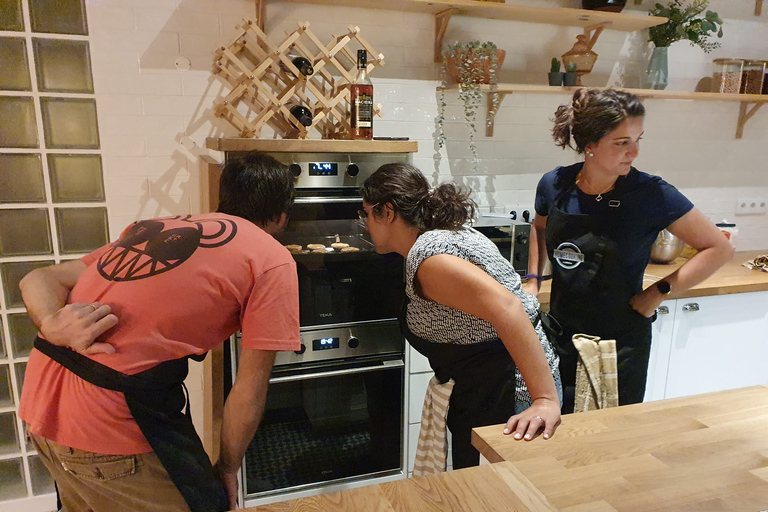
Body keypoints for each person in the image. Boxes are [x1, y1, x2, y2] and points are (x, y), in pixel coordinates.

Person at [18, 152, 300, 512]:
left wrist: (50, 323)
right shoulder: (272, 259)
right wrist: (228, 469)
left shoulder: (154, 228)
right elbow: (249, 388)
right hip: (107, 426)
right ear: (281, 216)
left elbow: (38, 278)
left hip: (41, 407)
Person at [525, 88, 734, 414]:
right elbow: (539, 228)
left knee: (609, 442)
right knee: (559, 439)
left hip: (620, 346)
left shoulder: (651, 194)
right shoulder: (554, 184)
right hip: (560, 339)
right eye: (622, 142)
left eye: (638, 139)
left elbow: (718, 248)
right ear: (590, 144)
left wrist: (660, 291)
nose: (634, 152)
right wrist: (534, 279)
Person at [360, 163, 561, 470]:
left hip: (511, 394)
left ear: (387, 212)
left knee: (500, 498)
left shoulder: (431, 258)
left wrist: (544, 400)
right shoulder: (435, 238)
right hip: (485, 388)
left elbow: (510, 309)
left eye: (366, 214)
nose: (364, 224)